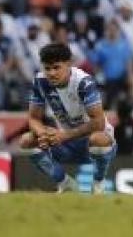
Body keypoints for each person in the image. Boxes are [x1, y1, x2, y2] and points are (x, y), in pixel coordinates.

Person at [19, 43, 116, 194]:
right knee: (26, 141)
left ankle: (98, 183)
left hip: (92, 142)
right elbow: (33, 118)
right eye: (47, 68)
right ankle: (65, 183)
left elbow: (98, 122)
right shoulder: (40, 81)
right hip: (65, 143)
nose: (51, 73)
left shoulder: (84, 82)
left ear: (69, 64)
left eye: (56, 67)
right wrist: (42, 133)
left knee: (99, 140)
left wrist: (64, 135)